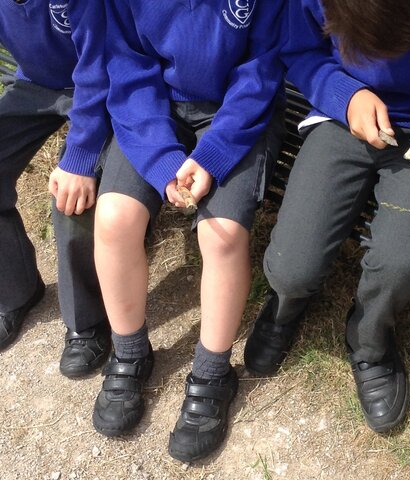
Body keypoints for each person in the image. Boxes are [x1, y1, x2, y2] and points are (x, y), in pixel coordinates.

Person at [243, 0, 410, 433]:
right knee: (292, 266)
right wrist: (345, 95)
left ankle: (369, 342)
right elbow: (299, 52)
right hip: (340, 119)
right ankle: (287, 302)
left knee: (400, 258)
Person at [89, 0, 286, 463]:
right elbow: (128, 68)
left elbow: (260, 72)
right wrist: (161, 158)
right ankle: (130, 351)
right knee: (114, 217)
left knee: (220, 234)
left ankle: (213, 372)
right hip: (151, 110)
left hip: (240, 117)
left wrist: (213, 154)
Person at [0, 0, 111, 377]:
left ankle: (88, 318)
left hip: (102, 86)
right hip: (33, 83)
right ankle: (16, 291)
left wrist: (80, 155)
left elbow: (99, 62)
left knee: (73, 199)